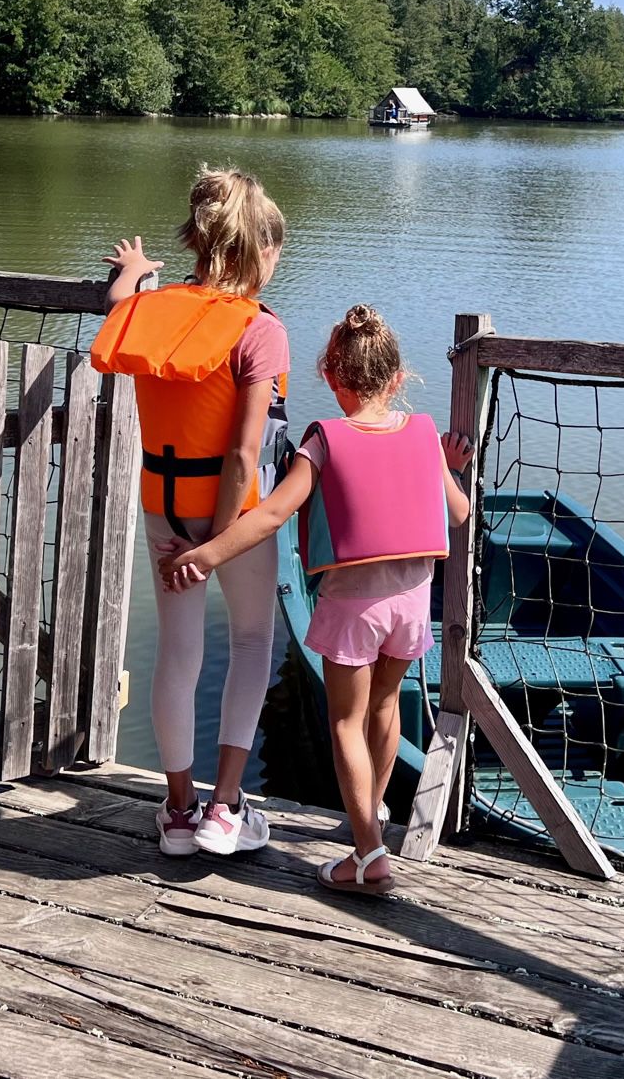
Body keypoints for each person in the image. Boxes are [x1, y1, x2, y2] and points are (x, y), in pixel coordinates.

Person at [161, 305, 472, 894]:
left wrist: (203, 555)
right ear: (398, 380)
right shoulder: (424, 435)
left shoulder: (322, 442)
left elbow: (274, 512)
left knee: (345, 724)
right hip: (411, 598)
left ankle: (368, 857)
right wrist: (449, 468)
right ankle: (371, 817)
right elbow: (458, 514)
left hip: (353, 604)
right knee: (385, 709)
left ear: (330, 377)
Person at [89, 166, 290, 857]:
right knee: (250, 643)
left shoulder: (149, 308)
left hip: (163, 510)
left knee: (177, 654)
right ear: (260, 251)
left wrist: (137, 269)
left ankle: (176, 812)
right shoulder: (260, 331)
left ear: (198, 245)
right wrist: (223, 538)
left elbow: (122, 298)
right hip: (231, 520)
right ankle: (225, 811)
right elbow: (243, 454)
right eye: (275, 252)